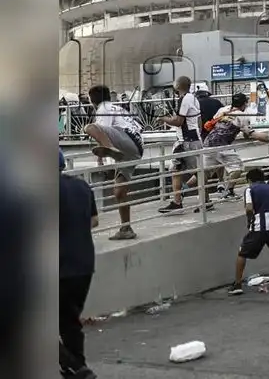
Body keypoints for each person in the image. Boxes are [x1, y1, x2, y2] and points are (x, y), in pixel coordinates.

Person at [83, 84, 144, 240]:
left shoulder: (103, 108)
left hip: (126, 142)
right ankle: (126, 228)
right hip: (136, 149)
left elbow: (101, 129)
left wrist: (100, 158)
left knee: (89, 127)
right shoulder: (119, 108)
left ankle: (110, 148)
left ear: (92, 100)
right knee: (119, 191)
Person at [59, 150, 99, 379]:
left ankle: (77, 368)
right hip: (83, 265)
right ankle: (74, 369)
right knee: (69, 322)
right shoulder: (82, 187)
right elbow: (94, 220)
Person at [229, 167, 269, 295]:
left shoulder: (250, 189)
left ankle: (237, 284)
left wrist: (250, 222)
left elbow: (249, 208)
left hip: (260, 226)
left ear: (249, 180)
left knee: (242, 253)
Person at [158, 76, 209, 214]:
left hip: (186, 141)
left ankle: (179, 202)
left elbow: (179, 121)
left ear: (177, 86)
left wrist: (164, 119)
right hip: (193, 139)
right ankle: (203, 201)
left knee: (180, 171)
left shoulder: (184, 99)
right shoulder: (193, 98)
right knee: (183, 170)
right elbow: (197, 120)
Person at [203, 92, 255, 200]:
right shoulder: (243, 116)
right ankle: (228, 191)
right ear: (244, 104)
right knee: (238, 168)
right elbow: (246, 134)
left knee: (204, 172)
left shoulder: (223, 110)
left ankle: (187, 192)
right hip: (222, 145)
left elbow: (215, 121)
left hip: (208, 143)